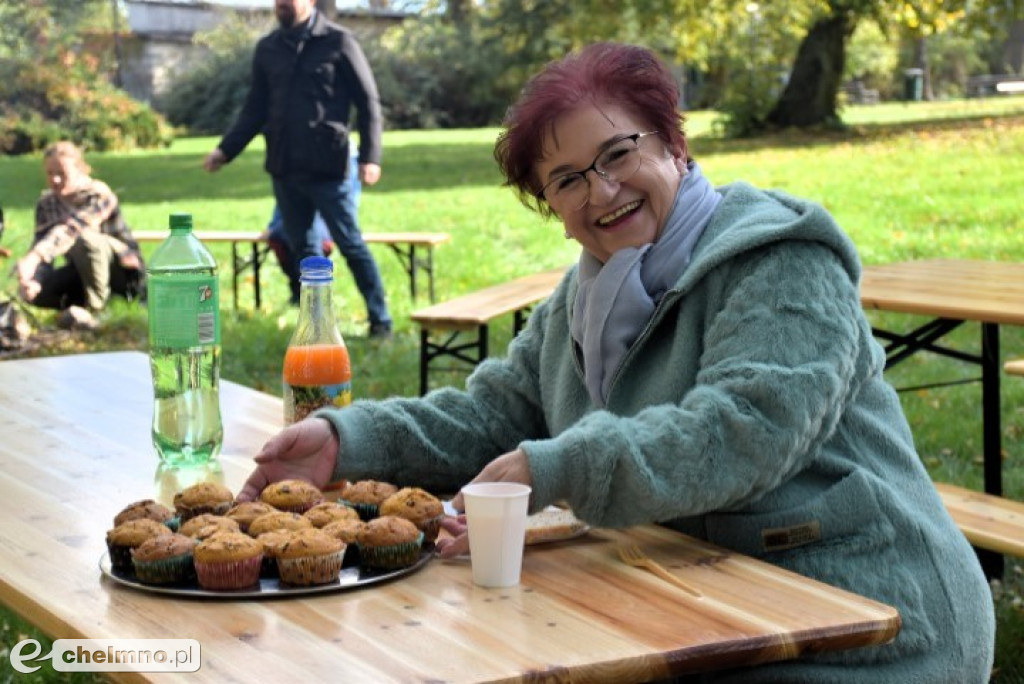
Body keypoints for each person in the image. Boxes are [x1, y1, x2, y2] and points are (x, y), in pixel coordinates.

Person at [237, 43, 994, 681]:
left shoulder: (780, 260)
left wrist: (554, 470)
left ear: (673, 145)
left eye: (618, 154)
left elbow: (741, 431)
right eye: (566, 180)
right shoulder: (586, 297)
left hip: (870, 614)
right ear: (553, 209)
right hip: (697, 599)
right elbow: (492, 413)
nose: (601, 191)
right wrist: (348, 440)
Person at [203, 0, 393, 338]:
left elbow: (368, 102)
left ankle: (380, 320)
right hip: (284, 166)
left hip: (329, 167)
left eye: (286, 1)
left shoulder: (339, 41)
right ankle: (317, 325)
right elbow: (254, 108)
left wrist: (371, 156)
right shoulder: (268, 48)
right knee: (304, 250)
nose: (279, 5)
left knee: (350, 243)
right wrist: (225, 150)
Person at [15, 141, 145, 330]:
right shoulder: (46, 203)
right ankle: (78, 310)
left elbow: (72, 230)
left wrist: (34, 257)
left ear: (80, 169)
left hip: (123, 273)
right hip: (81, 271)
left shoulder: (99, 194)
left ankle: (97, 311)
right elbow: (43, 246)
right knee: (38, 292)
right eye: (50, 174)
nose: (55, 180)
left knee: (85, 239)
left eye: (62, 174)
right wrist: (33, 280)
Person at [263, 149, 361, 304]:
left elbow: (348, 205)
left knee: (317, 241)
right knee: (279, 235)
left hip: (329, 217)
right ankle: (300, 291)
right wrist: (274, 223)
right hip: (300, 161)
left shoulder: (348, 160)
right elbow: (287, 196)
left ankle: (315, 301)